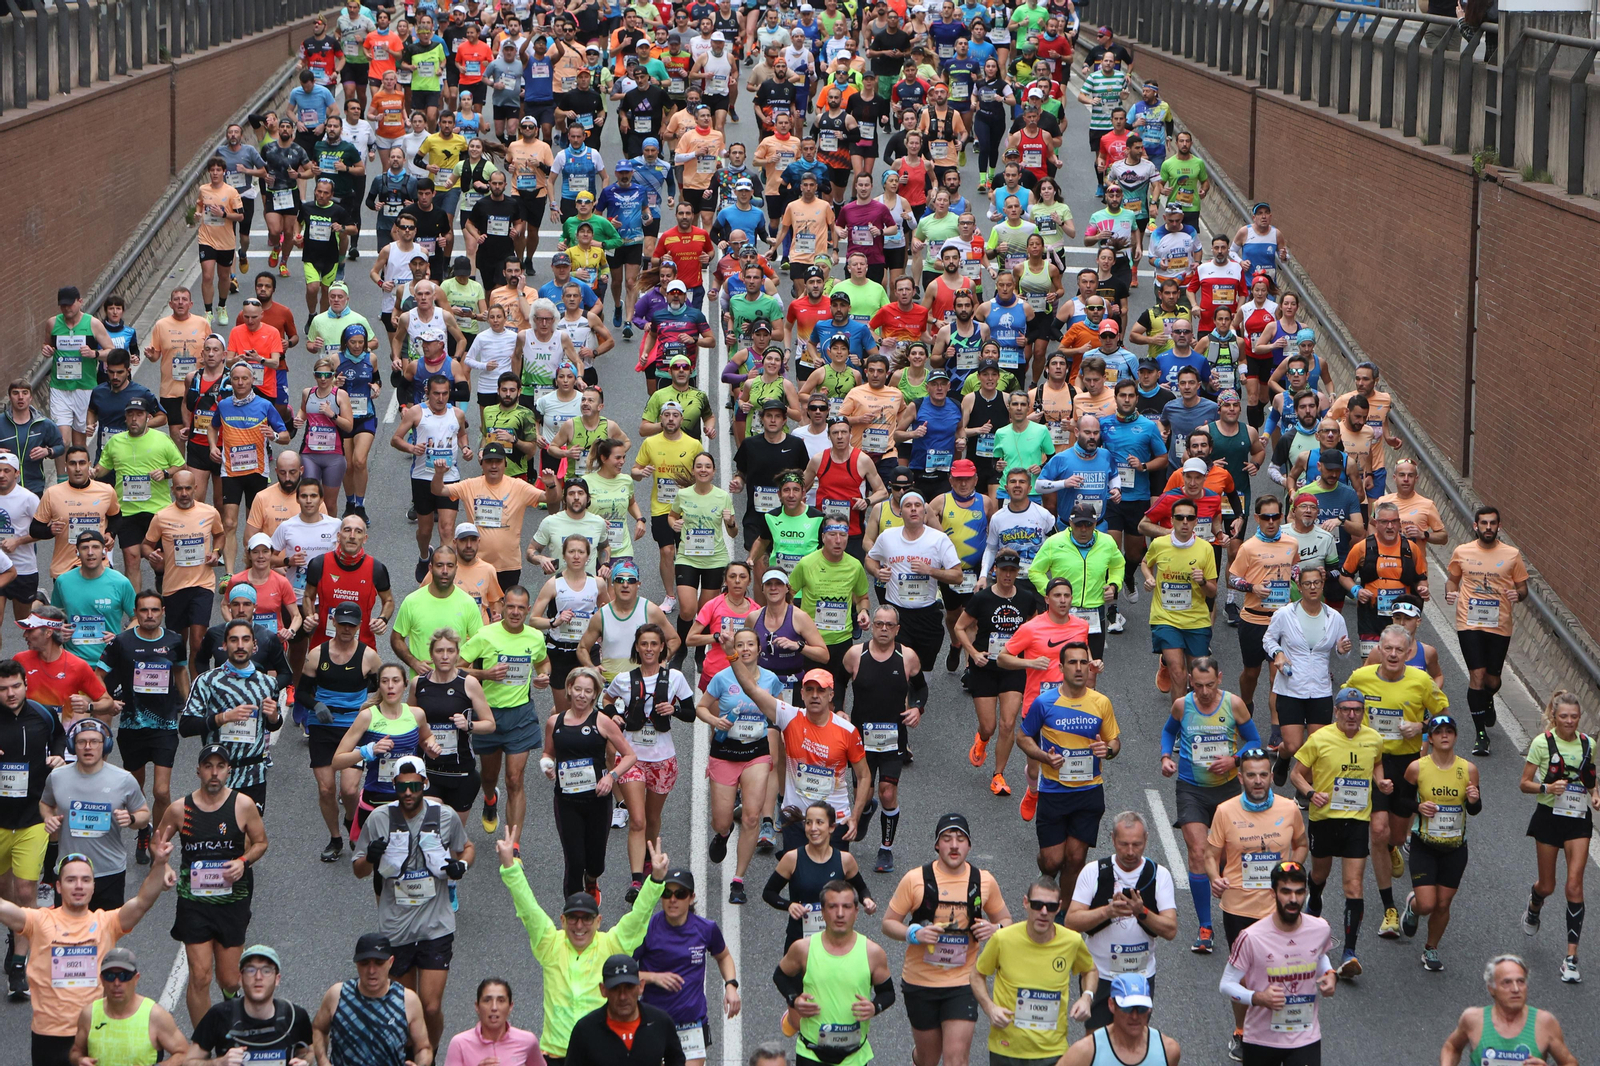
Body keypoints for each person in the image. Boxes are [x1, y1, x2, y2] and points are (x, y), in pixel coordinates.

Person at [499, 830, 670, 1064]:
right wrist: (510, 867)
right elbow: (528, 908)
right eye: (573, 918)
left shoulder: (612, 945)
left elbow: (639, 916)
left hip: (598, 1056)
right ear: (562, 921)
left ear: (598, 922)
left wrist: (656, 880)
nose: (579, 926)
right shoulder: (549, 943)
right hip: (556, 1056)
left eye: (587, 919)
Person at [0, 841, 174, 1066]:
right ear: (58, 886)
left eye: (85, 880)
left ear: (93, 886)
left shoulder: (106, 923)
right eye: (71, 880)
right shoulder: (38, 921)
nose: (78, 886)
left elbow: (142, 902)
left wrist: (159, 863)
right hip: (48, 1036)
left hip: (94, 1033)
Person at [353, 753, 472, 1049]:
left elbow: (466, 847)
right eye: (402, 786)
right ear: (394, 785)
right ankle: (410, 1055)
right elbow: (358, 870)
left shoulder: (445, 816)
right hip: (396, 927)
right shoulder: (379, 819)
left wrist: (461, 865)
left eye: (415, 786)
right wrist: (371, 857)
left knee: (430, 1006)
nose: (408, 793)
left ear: (425, 784)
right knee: (407, 1010)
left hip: (436, 925)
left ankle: (429, 1054)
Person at [1342, 623, 1451, 939]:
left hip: (1407, 764)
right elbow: (1343, 705)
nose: (1392, 654)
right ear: (1379, 650)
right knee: (1377, 831)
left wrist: (1422, 727)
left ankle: (1393, 847)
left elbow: (1444, 716)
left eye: (1398, 650)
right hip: (1372, 760)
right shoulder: (1361, 678)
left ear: (1408, 652)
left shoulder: (1421, 681)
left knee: (1398, 834)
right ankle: (1389, 909)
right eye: (1387, 648)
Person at [881, 812, 1010, 1066]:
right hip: (921, 982)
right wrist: (913, 933)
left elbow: (1006, 921)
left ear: (969, 845)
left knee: (956, 1058)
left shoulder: (984, 881)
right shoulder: (915, 879)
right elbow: (888, 924)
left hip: (963, 981)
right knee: (928, 1059)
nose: (954, 845)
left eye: (960, 839)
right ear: (937, 845)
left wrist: (995, 928)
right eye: (947, 838)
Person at [155, 744, 268, 1026]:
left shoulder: (243, 805)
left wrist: (243, 861)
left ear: (229, 771)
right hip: (194, 902)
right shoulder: (180, 809)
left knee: (229, 979)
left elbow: (261, 842)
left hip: (233, 900)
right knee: (200, 976)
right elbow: (158, 844)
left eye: (220, 767)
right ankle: (204, 1041)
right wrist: (164, 866)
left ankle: (231, 1000)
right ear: (198, 771)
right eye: (208, 767)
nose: (214, 773)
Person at [1205, 749, 1308, 1057]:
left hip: (1279, 908)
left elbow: (1301, 844)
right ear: (1240, 778)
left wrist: (1292, 873)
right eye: (1251, 775)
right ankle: (1242, 1031)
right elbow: (1211, 855)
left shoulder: (1289, 809)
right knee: (1246, 975)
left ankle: (1282, 1028)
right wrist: (1215, 878)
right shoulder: (1225, 811)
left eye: (1263, 774)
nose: (1258, 781)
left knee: (1283, 970)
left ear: (1271, 776)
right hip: (1239, 907)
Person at [1159, 656, 1261, 954]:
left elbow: (1255, 741)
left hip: (1227, 790)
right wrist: (1166, 757)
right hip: (1191, 789)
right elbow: (1168, 731)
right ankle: (1205, 927)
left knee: (1228, 857)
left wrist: (1234, 760)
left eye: (1210, 685)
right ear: (1190, 681)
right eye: (1199, 685)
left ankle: (1241, 914)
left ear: (1220, 678)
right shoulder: (1182, 705)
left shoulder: (1234, 704)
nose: (1204, 692)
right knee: (1198, 853)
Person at [1287, 687, 1389, 979]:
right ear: (1337, 711)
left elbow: (1377, 762)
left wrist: (1380, 782)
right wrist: (1310, 793)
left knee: (1354, 886)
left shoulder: (1374, 738)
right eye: (1346, 709)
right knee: (1320, 874)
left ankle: (1349, 953)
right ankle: (1314, 901)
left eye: (1357, 710)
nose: (1352, 715)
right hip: (1324, 819)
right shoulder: (1320, 739)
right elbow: (1296, 774)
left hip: (1357, 820)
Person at [1062, 811, 1178, 1031]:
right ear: (1113, 839)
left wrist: (1141, 912)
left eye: (1137, 844)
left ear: (1146, 840)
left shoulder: (1159, 875)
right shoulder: (1093, 872)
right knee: (1096, 1040)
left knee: (1133, 1038)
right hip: (1100, 975)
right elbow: (1071, 922)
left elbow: (1170, 930)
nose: (1130, 851)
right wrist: (1107, 912)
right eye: (1124, 844)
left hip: (1140, 977)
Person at [1015, 640, 1117, 887]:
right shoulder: (1044, 702)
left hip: (1089, 790)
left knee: (1075, 859)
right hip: (1054, 791)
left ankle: (1064, 907)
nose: (1079, 668)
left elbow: (1114, 741)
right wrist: (1044, 757)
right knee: (1052, 862)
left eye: (1083, 662)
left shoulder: (1101, 702)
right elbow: (1022, 737)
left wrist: (1108, 750)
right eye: (1072, 663)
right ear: (1061, 668)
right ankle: (1047, 875)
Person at [603, 626, 694, 901]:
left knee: (652, 819)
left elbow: (691, 712)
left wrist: (674, 709)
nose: (649, 649)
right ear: (637, 647)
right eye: (644, 644)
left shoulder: (675, 678)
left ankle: (647, 860)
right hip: (631, 757)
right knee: (638, 820)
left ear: (662, 647)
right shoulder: (624, 679)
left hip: (662, 759)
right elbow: (606, 699)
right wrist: (613, 715)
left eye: (654, 644)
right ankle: (635, 880)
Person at [1218, 860, 1337, 1066]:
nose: (1293, 899)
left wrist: (1329, 974)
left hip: (1305, 1036)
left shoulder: (1320, 929)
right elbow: (1226, 985)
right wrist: (1258, 998)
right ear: (1273, 893)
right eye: (1286, 892)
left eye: (1299, 892)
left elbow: (1319, 956)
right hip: (1262, 1040)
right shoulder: (1251, 937)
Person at [971, 874, 1096, 1064]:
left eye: (1051, 907)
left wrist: (1087, 997)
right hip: (1007, 1048)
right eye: (1037, 905)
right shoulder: (1003, 939)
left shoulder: (1072, 941)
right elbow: (977, 975)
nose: (1044, 912)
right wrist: (990, 1008)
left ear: (1059, 907)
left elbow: (1090, 970)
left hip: (1052, 1051)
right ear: (1026, 903)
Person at [1519, 690, 1598, 984]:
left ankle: (1571, 958)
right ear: (1554, 716)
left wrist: (1595, 794)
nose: (1569, 721)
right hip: (1549, 818)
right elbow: (1524, 783)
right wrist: (1547, 788)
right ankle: (1534, 903)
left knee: (1574, 885)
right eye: (1564, 716)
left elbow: (1589, 777)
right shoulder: (1542, 743)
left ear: (1580, 717)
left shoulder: (1588, 743)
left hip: (1578, 820)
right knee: (1548, 885)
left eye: (1574, 717)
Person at [773, 878, 895, 1066]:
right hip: (811, 1053)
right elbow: (780, 975)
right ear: (822, 912)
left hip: (854, 1056)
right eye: (832, 907)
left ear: (856, 911)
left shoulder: (872, 952)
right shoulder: (803, 948)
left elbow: (887, 993)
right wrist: (794, 1000)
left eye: (846, 907)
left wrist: (874, 1007)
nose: (840, 914)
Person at [632, 867, 740, 1066]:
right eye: (667, 893)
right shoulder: (647, 928)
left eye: (680, 894)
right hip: (654, 1023)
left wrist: (731, 986)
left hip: (692, 1024)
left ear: (691, 898)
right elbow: (624, 973)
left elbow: (724, 956)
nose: (672, 899)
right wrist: (654, 977)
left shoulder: (706, 929)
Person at [956, 547, 1042, 796]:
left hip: (1013, 667)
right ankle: (982, 739)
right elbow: (960, 627)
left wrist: (1031, 659)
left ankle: (998, 775)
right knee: (989, 726)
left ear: (1017, 572)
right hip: (985, 668)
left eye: (1012, 570)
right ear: (995, 570)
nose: (1007, 575)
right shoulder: (982, 598)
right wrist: (973, 653)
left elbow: (1034, 628)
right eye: (1003, 570)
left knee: (1008, 723)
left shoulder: (1026, 598)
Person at [179, 620, 287, 811]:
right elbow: (186, 726)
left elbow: (272, 725)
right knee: (219, 828)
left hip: (253, 774)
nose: (240, 645)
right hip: (218, 773)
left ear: (254, 645)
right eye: (234, 640)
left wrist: (274, 718)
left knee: (250, 829)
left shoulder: (268, 683)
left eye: (245, 640)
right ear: (224, 645)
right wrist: (222, 718)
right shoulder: (207, 681)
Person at [1446, 504, 1529, 756]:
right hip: (1469, 622)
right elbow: (1452, 579)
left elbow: (1523, 588)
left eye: (1493, 523)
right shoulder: (1462, 551)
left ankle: (1488, 697)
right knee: (1477, 675)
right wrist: (1450, 592)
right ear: (1476, 526)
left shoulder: (1512, 555)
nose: (1488, 527)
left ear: (1499, 526)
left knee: (1492, 680)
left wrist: (1518, 595)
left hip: (1499, 624)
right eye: (1484, 523)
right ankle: (1480, 734)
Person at [40, 720, 149, 911]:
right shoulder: (57, 777)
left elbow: (144, 814)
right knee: (68, 928)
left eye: (94, 741)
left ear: (105, 745)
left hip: (109, 871)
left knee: (106, 929)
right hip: (69, 871)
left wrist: (131, 819)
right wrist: (48, 818)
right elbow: (45, 803)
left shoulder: (123, 779)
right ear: (73, 746)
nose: (88, 747)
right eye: (81, 742)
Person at [311, 932, 434, 1066]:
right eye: (364, 963)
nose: (371, 971)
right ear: (357, 964)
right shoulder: (337, 995)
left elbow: (423, 1048)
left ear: (390, 962)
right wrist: (322, 1060)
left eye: (379, 963)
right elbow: (318, 1029)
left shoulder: (407, 1000)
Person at [185, 943, 316, 1065]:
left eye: (266, 970)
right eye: (250, 970)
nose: (258, 977)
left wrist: (304, 1062)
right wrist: (219, 1063)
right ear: (240, 979)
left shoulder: (294, 1016)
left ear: (277, 979)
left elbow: (308, 1052)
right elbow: (188, 1062)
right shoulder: (219, 1015)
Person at [1438, 954, 1578, 1066]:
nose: (1516, 989)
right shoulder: (1473, 1019)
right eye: (1507, 983)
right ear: (1491, 989)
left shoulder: (1544, 1023)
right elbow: (1451, 1047)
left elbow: (1569, 1062)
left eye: (1520, 981)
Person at [441, 977, 545, 1066]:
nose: (494, 1007)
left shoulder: (528, 1041)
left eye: (501, 1001)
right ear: (477, 1006)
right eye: (487, 1000)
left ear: (510, 1006)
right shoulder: (459, 1044)